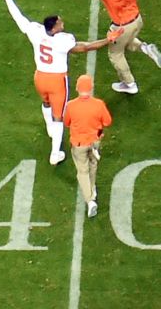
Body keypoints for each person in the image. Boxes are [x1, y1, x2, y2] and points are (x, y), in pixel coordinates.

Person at [2, 0, 118, 164]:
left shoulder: (36, 31)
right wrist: (108, 40)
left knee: (45, 103)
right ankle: (55, 153)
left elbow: (19, 18)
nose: (62, 23)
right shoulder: (63, 40)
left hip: (40, 76)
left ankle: (50, 128)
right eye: (60, 22)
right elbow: (85, 47)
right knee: (59, 116)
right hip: (56, 81)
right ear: (54, 28)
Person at [63, 74, 112, 217]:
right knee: (93, 164)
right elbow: (108, 121)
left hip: (79, 144)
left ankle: (90, 201)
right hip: (94, 141)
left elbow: (66, 122)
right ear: (91, 89)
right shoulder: (98, 104)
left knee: (82, 171)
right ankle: (92, 188)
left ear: (78, 89)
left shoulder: (71, 105)